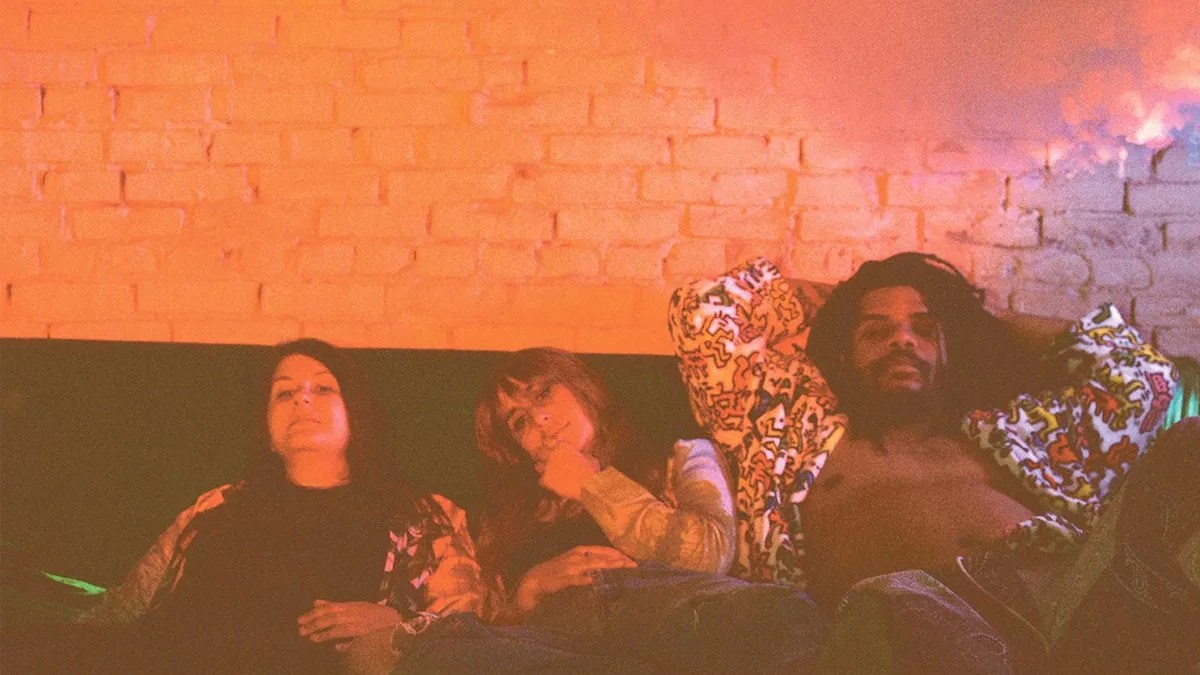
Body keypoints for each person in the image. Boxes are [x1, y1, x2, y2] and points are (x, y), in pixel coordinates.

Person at [669, 252, 1197, 670]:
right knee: (902, 605)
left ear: (949, 349)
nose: (902, 339)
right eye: (875, 330)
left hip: (1059, 614)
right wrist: (837, 300)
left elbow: (1144, 378)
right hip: (893, 630)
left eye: (924, 328)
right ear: (845, 352)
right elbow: (703, 312)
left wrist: (975, 317)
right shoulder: (787, 427)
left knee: (1188, 445)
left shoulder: (1024, 433)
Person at [12, 338, 484, 673]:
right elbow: (130, 603)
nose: (301, 399)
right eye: (284, 392)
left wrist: (397, 623)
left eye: (323, 388)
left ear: (355, 413)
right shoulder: (218, 505)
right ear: (267, 428)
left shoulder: (422, 515)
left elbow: (471, 625)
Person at [389, 347, 828, 673]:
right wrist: (528, 591)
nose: (538, 420)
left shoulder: (682, 455)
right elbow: (480, 618)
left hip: (665, 610)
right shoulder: (507, 519)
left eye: (543, 393)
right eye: (519, 422)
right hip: (558, 638)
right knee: (437, 655)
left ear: (581, 387)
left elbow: (710, 554)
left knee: (784, 614)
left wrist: (592, 484)